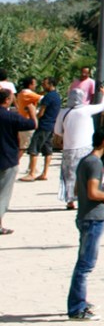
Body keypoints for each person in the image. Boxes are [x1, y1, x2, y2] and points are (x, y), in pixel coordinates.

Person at [69, 124, 104, 319]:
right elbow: (93, 192)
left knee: (84, 263)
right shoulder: (95, 164)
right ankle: (77, 308)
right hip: (92, 219)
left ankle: (80, 300)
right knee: (85, 265)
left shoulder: (86, 161)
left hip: (86, 216)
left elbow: (77, 190)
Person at [55, 79, 104, 209]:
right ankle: (83, 196)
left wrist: (68, 134)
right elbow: (103, 106)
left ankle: (70, 200)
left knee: (69, 174)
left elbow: (57, 131)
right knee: (85, 173)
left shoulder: (63, 112)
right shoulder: (86, 110)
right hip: (85, 147)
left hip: (69, 148)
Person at [0, 82, 39, 236]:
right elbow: (32, 124)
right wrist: (32, 112)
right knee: (3, 194)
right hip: (8, 159)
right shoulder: (11, 117)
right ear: (8, 100)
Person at [25, 79, 59, 181]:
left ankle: (31, 173)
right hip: (51, 125)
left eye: (44, 84)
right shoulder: (57, 96)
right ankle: (44, 173)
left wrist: (33, 116)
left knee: (34, 149)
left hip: (43, 125)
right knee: (47, 150)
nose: (43, 86)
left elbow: (41, 113)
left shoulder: (48, 97)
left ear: (50, 84)